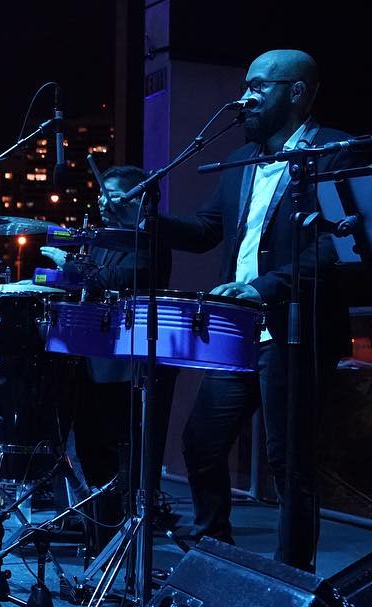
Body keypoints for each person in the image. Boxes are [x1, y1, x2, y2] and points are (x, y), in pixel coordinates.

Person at [158, 49, 363, 571]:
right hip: (241, 330)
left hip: (297, 328)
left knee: (289, 463)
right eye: (245, 85)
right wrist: (146, 219)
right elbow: (207, 231)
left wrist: (267, 286)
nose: (245, 97)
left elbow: (340, 243)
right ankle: (216, 557)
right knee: (202, 443)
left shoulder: (335, 151)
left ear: (297, 92)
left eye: (258, 86)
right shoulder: (243, 162)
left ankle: (291, 579)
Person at [40, 165, 177, 545]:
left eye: (113, 195)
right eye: (102, 193)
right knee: (89, 448)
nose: (103, 200)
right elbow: (91, 280)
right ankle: (99, 538)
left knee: (119, 452)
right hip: (92, 355)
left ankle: (122, 539)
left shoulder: (148, 239)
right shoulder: (101, 239)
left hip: (125, 363)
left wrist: (73, 267)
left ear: (139, 199)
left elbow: (128, 276)